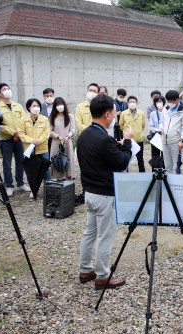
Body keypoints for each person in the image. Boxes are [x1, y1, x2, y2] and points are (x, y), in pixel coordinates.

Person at [77, 94, 133, 290]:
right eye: (114, 114)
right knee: (105, 236)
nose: (115, 117)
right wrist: (126, 143)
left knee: (90, 233)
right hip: (105, 194)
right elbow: (122, 162)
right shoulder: (104, 139)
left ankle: (85, 270)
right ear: (108, 114)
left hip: (90, 192)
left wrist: (115, 147)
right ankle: (102, 275)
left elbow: (100, 156)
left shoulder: (84, 135)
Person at [0, 83, 31, 197]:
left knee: (21, 161)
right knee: (7, 163)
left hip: (19, 139)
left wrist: (19, 134)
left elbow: (25, 120)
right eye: (4, 89)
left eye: (8, 88)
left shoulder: (18, 106)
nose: (7, 90)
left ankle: (20, 183)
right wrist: (13, 132)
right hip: (6, 139)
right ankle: (9, 185)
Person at [18, 98, 51, 199]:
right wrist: (30, 140)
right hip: (29, 149)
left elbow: (46, 133)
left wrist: (38, 141)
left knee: (46, 170)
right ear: (29, 107)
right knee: (31, 171)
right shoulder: (23, 120)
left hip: (42, 148)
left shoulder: (44, 119)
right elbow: (21, 133)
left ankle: (48, 190)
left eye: (37, 106)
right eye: (33, 106)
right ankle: (34, 189)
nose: (36, 108)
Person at [158, 90, 183, 174]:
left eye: (172, 101)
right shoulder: (165, 109)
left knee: (177, 166)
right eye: (168, 101)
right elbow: (162, 122)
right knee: (167, 166)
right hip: (165, 141)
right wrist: (160, 129)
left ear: (177, 100)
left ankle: (177, 185)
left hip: (176, 142)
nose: (170, 103)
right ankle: (168, 185)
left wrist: (182, 140)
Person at [49, 97, 76, 179]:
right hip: (56, 142)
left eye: (61, 104)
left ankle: (69, 176)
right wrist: (57, 136)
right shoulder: (52, 117)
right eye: (57, 105)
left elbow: (73, 130)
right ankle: (56, 177)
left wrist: (69, 135)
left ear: (64, 105)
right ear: (54, 107)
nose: (59, 106)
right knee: (56, 160)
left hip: (67, 141)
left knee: (68, 159)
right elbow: (49, 131)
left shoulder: (70, 116)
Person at [119, 95, 146, 172]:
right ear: (127, 103)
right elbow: (121, 125)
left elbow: (143, 125)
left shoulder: (141, 113)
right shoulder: (123, 113)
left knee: (140, 158)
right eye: (130, 102)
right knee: (126, 157)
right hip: (128, 140)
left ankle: (142, 173)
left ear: (136, 103)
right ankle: (125, 172)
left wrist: (138, 131)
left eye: (134, 102)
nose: (132, 103)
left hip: (139, 139)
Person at [148, 95, 165, 171]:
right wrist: (157, 130)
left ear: (163, 102)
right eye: (157, 102)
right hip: (156, 136)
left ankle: (164, 172)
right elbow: (151, 126)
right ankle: (155, 173)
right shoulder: (153, 114)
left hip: (165, 136)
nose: (159, 103)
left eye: (160, 101)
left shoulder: (167, 112)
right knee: (155, 155)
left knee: (165, 155)